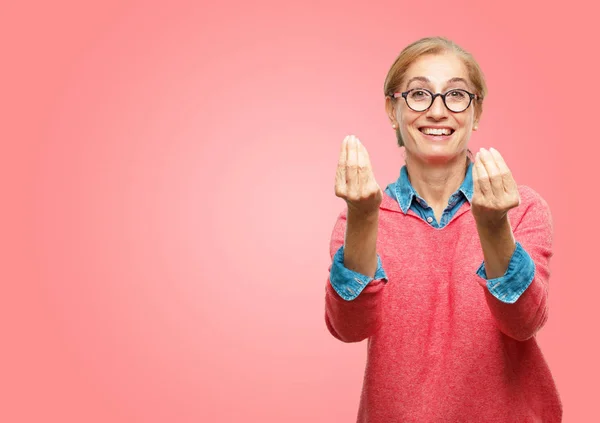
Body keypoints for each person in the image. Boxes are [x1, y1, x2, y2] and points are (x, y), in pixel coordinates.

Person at [325, 36, 562, 422]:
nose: (438, 111)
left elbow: (524, 323)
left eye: (456, 95)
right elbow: (349, 328)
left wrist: (492, 225)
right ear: (392, 108)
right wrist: (364, 218)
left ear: (476, 111)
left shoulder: (521, 209)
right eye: (419, 94)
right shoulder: (361, 217)